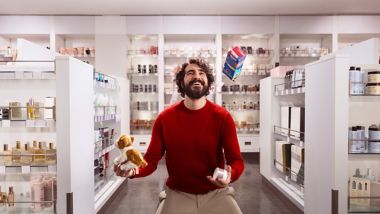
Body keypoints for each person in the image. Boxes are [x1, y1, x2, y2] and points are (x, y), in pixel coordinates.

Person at [114, 58, 244, 214]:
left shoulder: (222, 117)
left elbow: (236, 160)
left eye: (201, 73)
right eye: (191, 73)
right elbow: (151, 160)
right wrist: (132, 171)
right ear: (181, 83)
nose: (197, 76)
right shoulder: (165, 119)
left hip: (216, 192)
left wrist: (231, 175)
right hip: (178, 193)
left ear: (207, 82)